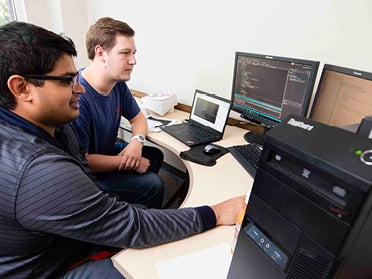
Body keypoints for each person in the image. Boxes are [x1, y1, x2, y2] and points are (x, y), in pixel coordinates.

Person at [0, 21, 246, 278]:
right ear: (21, 88)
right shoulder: (37, 170)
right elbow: (132, 225)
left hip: (57, 231)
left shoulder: (56, 124)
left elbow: (91, 169)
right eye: (66, 81)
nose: (79, 88)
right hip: (44, 267)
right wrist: (215, 213)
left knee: (152, 162)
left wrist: (136, 145)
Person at [71, 17, 164, 209]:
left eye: (134, 53)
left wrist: (136, 142)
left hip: (105, 151)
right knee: (154, 186)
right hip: (86, 172)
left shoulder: (118, 84)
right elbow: (83, 160)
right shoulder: (79, 96)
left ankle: (129, 201)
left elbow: (138, 118)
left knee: (155, 156)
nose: (133, 61)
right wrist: (129, 162)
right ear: (101, 53)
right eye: (125, 53)